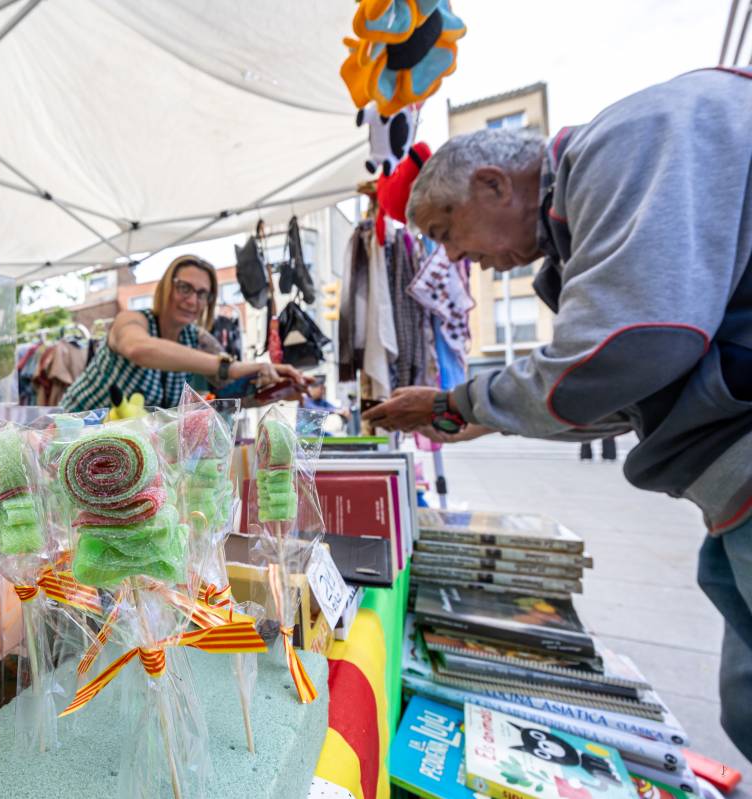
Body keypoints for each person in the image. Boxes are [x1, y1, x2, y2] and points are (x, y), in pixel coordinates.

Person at [363, 68, 752, 756]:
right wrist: (459, 414)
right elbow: (619, 389)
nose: (457, 259)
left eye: (447, 232)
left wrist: (456, 401)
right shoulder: (591, 207)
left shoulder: (626, 142)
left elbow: (629, 347)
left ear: (492, 183)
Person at [60, 255, 306, 412]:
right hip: (71, 433)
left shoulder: (198, 340)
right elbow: (138, 348)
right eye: (184, 288)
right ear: (166, 286)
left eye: (202, 294)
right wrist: (230, 367)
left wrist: (278, 387)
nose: (192, 300)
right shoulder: (132, 320)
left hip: (120, 456)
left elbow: (227, 393)